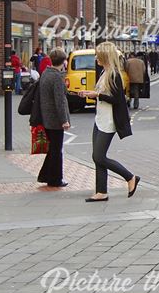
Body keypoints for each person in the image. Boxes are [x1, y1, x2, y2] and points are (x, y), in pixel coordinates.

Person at [79, 42, 139, 202]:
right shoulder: (104, 73)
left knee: (99, 156)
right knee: (97, 156)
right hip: (100, 119)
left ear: (105, 57)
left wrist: (97, 95)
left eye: (98, 55)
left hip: (109, 121)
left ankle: (130, 177)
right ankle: (101, 192)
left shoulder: (114, 75)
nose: (95, 57)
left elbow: (118, 100)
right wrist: (91, 93)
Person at [36, 48, 71, 188]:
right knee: (57, 150)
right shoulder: (57, 77)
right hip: (55, 119)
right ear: (63, 61)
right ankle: (55, 179)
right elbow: (60, 101)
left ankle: (45, 175)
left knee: (53, 149)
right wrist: (64, 120)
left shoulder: (45, 73)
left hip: (46, 117)